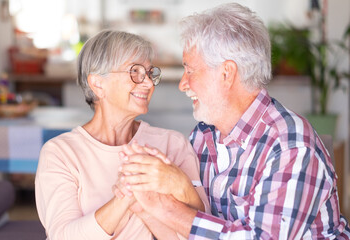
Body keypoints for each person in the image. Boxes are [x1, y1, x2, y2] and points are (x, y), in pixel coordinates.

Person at [118, 3, 350, 239]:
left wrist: (166, 209)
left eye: (190, 70)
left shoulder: (291, 146)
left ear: (227, 74)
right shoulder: (202, 136)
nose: (182, 84)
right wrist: (152, 196)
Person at [35, 30, 209, 240]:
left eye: (150, 73)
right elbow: (63, 236)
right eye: (135, 72)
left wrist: (179, 184)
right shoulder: (61, 153)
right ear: (98, 84)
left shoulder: (172, 144)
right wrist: (125, 197)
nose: (148, 83)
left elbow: (204, 232)